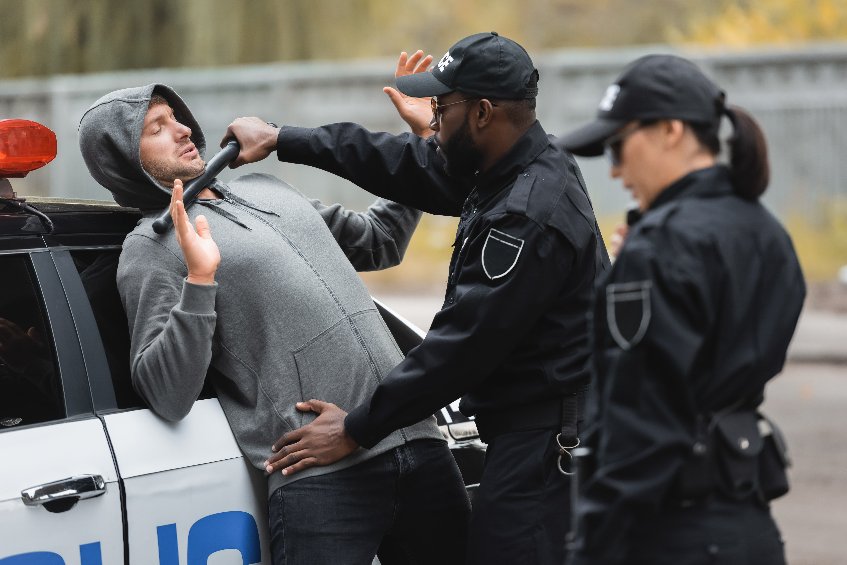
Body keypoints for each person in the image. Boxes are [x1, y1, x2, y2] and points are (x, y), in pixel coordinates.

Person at [224, 32, 610, 565]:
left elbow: (460, 349)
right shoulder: (516, 164)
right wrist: (282, 139)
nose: (433, 118)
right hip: (535, 438)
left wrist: (357, 427)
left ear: (481, 113)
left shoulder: (525, 213)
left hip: (546, 449)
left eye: (442, 106)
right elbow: (407, 164)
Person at [77, 84, 470, 565]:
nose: (182, 128)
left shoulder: (269, 189)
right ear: (121, 158)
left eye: (175, 117)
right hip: (322, 472)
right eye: (155, 128)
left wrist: (424, 140)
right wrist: (200, 280)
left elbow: (380, 241)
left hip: (415, 438)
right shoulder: (151, 247)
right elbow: (166, 392)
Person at [556, 54, 805, 564]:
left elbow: (639, 426)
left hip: (667, 533)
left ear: (671, 130)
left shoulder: (661, 246)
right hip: (748, 527)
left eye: (619, 145)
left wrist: (592, 547)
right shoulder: (764, 231)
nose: (617, 169)